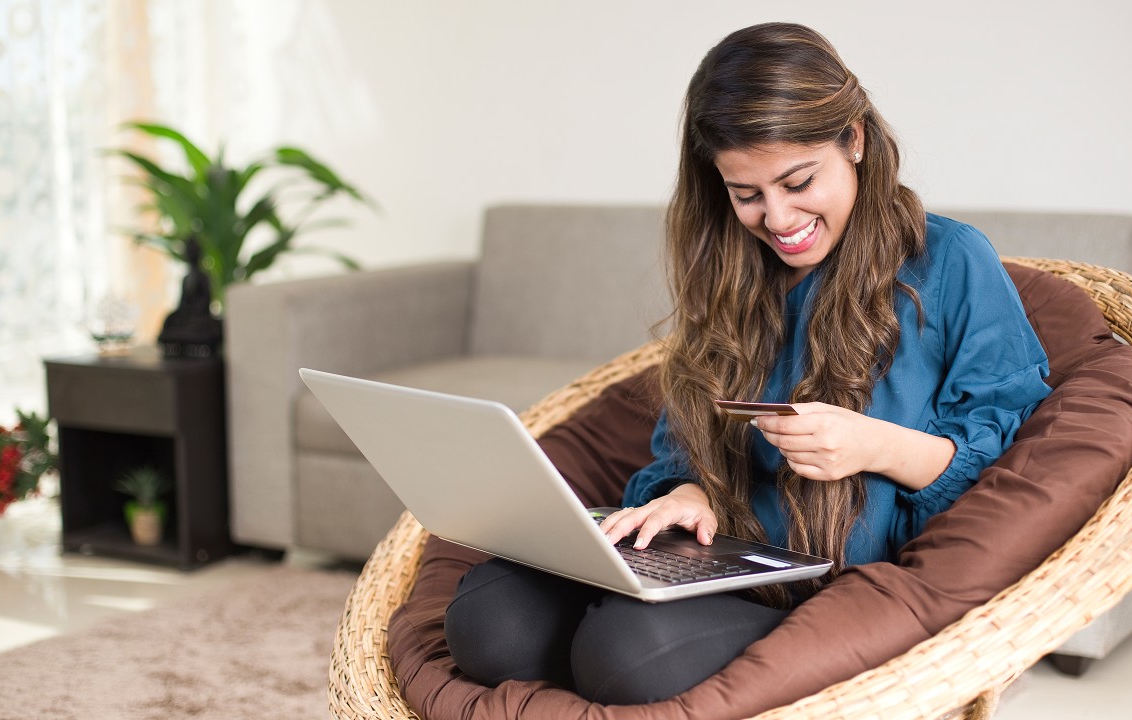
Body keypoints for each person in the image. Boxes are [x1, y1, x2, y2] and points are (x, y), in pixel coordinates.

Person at [443, 22, 1052, 706]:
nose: (778, 217)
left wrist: (872, 445)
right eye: (747, 194)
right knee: (486, 620)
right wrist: (685, 494)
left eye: (798, 181)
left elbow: (1010, 473)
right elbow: (681, 448)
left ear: (853, 139)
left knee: (623, 653)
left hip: (830, 588)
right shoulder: (730, 269)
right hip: (715, 559)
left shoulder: (951, 262)